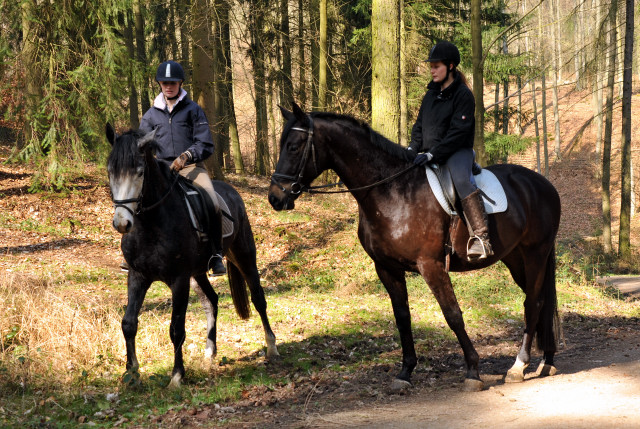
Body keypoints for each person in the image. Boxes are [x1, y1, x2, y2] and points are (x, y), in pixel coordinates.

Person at [137, 60, 226, 275]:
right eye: (165, 82)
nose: (169, 86)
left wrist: (187, 155)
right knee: (137, 200)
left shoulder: (193, 110)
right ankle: (136, 253)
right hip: (161, 170)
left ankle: (215, 254)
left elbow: (205, 144)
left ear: (180, 83)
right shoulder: (150, 115)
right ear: (159, 83)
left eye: (173, 83)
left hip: (190, 167)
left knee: (212, 201)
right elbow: (141, 146)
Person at [408, 41, 493, 261]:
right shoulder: (430, 95)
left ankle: (482, 238)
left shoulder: (463, 95)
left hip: (457, 151)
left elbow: (458, 133)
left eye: (437, 66)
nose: (432, 70)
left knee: (461, 180)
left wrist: (433, 154)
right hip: (429, 151)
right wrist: (412, 149)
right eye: (431, 66)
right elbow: (419, 126)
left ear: (451, 66)